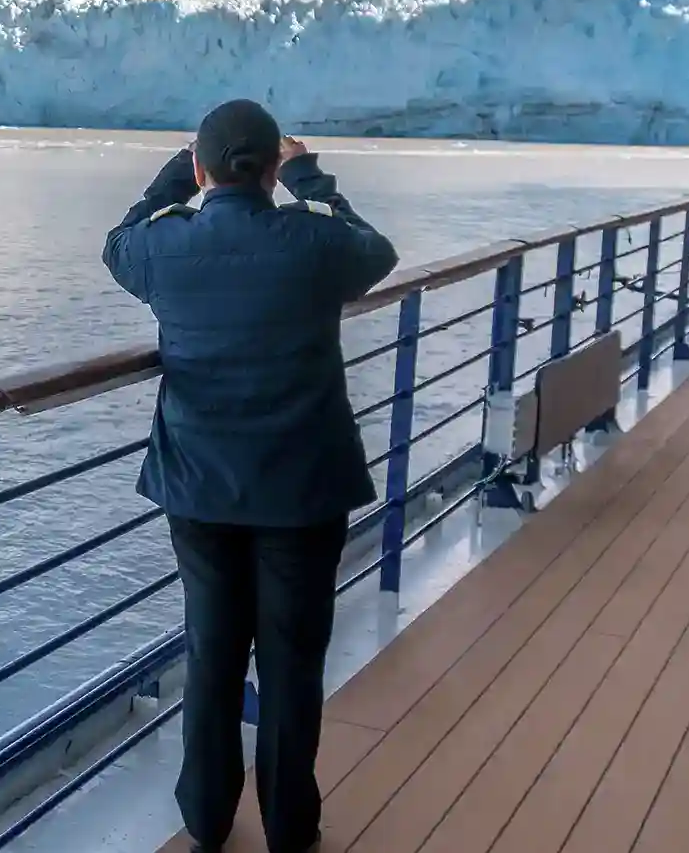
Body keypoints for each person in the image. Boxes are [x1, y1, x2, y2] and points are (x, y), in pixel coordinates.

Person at [101, 100, 398, 853]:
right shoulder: (315, 242)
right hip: (303, 490)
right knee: (293, 661)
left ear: (204, 172)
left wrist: (177, 176)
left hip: (200, 488)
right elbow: (377, 249)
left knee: (213, 651)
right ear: (272, 169)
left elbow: (117, 242)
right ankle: (291, 826)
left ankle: (204, 816)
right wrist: (311, 178)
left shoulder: (164, 251)